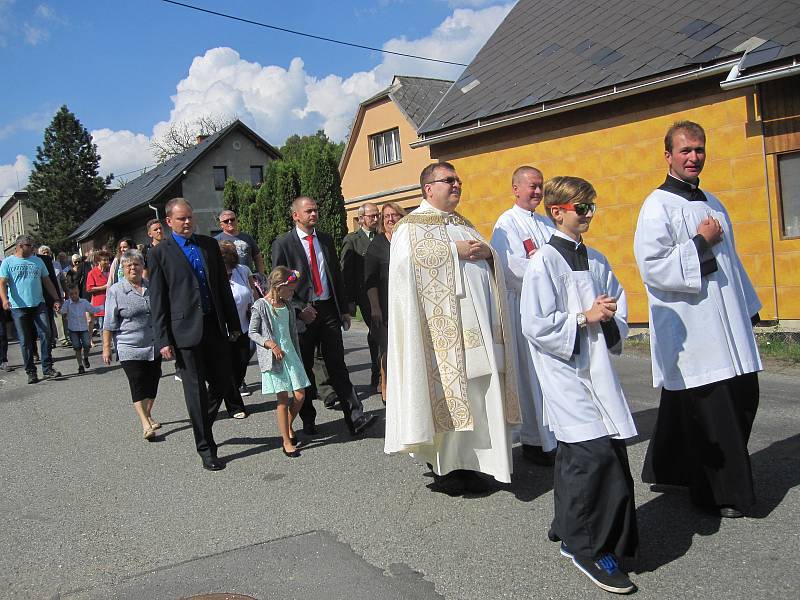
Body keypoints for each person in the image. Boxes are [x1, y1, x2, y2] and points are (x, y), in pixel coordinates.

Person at [634, 121, 762, 519]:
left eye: (699, 150)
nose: (693, 157)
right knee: (714, 412)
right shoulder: (657, 206)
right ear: (668, 156)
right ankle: (718, 493)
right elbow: (652, 267)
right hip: (693, 327)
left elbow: (731, 262)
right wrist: (699, 243)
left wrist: (749, 305)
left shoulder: (713, 202)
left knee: (740, 396)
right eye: (685, 150)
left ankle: (670, 468)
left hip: (727, 321)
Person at [521, 176, 638, 594]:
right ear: (558, 211)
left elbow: (618, 306)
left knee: (582, 454)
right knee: (593, 454)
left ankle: (567, 524)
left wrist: (608, 317)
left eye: (592, 207)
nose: (589, 214)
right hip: (564, 371)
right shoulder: (544, 263)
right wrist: (582, 318)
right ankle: (587, 548)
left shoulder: (598, 259)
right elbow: (535, 325)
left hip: (598, 371)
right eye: (582, 208)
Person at [384, 162, 521, 495]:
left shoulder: (465, 224)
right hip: (438, 340)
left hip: (478, 336)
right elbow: (403, 268)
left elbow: (491, 262)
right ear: (429, 188)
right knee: (446, 399)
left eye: (459, 180)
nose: (457, 185)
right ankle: (445, 468)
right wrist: (450, 252)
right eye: (449, 181)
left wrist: (489, 254)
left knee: (476, 399)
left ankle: (474, 463)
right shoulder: (410, 227)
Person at [149, 198, 243, 471]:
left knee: (225, 382)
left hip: (214, 325)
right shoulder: (159, 254)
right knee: (195, 390)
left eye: (190, 217)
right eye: (181, 219)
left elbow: (222, 288)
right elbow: (157, 299)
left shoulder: (209, 245)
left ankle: (201, 422)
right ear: (169, 222)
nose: (187, 222)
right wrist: (163, 339)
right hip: (184, 331)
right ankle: (206, 447)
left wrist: (233, 323)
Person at [271, 196, 377, 437]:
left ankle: (355, 417)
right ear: (295, 215)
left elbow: (335, 277)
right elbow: (278, 283)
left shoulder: (326, 240)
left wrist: (344, 311)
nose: (314, 214)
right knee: (305, 368)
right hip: (302, 315)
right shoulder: (284, 244)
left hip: (328, 310)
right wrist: (298, 308)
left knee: (338, 365)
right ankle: (308, 419)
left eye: (316, 210)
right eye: (308, 211)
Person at [490, 165, 557, 465]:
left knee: (550, 376)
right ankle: (533, 441)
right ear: (516, 188)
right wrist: (548, 275)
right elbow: (510, 268)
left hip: (550, 309)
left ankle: (554, 436)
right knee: (530, 376)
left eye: (540, 186)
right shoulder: (507, 223)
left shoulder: (546, 223)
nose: (538, 191)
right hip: (523, 308)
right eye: (532, 186)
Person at [102, 250, 163, 441]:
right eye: (128, 265)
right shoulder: (116, 291)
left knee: (152, 383)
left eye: (136, 264)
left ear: (142, 266)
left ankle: (148, 413)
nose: (132, 268)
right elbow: (109, 322)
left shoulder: (151, 286)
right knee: (137, 383)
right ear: (122, 269)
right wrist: (106, 347)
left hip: (153, 345)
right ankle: (145, 424)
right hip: (128, 345)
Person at [249, 267, 309, 457]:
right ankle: (286, 441)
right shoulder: (260, 305)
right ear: (279, 286)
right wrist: (270, 344)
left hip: (291, 354)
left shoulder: (287, 305)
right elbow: (252, 332)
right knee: (282, 399)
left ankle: (288, 425)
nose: (292, 293)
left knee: (300, 395)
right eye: (290, 289)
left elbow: (290, 331)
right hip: (274, 358)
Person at [0, 235, 62, 383]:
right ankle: (31, 372)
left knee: (47, 334)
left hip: (38, 304)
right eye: (30, 245)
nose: (32, 248)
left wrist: (56, 298)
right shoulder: (8, 262)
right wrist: (4, 300)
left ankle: (47, 368)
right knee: (25, 341)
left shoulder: (37, 261)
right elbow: (2, 283)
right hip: (18, 307)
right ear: (20, 246)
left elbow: (47, 281)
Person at [363, 201, 406, 402]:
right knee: (388, 348)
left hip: (407, 302)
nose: (390, 219)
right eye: (386, 216)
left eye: (394, 215)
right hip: (385, 304)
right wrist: (375, 307)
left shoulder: (407, 240)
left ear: (401, 217)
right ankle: (385, 383)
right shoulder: (377, 245)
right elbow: (369, 280)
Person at [341, 202, 381, 389]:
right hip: (364, 295)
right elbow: (346, 271)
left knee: (384, 332)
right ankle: (378, 372)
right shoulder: (353, 240)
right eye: (371, 215)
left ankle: (383, 371)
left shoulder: (382, 237)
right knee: (376, 331)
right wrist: (349, 300)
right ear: (361, 219)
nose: (375, 218)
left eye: (377, 215)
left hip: (385, 292)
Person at [219, 239, 255, 407]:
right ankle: (234, 404)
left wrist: (254, 306)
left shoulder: (242, 271)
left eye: (230, 254)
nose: (227, 257)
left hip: (245, 325)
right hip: (224, 330)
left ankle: (232, 388)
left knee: (241, 362)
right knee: (228, 367)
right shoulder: (214, 274)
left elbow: (252, 292)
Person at [59, 285, 102, 373]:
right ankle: (80, 365)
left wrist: (103, 307)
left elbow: (92, 310)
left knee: (87, 345)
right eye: (71, 294)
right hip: (73, 329)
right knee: (77, 347)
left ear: (78, 292)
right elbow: (62, 311)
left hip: (83, 328)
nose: (74, 295)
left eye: (75, 293)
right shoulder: (67, 303)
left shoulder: (84, 302)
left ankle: (85, 358)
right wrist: (58, 309)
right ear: (69, 295)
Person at [215, 209, 266, 276]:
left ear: (236, 220)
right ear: (221, 225)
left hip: (248, 278)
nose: (230, 222)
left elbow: (257, 257)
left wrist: (261, 274)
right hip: (228, 279)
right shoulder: (216, 240)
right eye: (226, 221)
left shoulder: (247, 237)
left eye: (232, 219)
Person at [86, 250, 111, 334]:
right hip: (100, 302)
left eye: (107, 259)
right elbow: (89, 288)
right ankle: (105, 346)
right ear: (98, 261)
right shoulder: (92, 273)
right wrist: (103, 287)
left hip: (111, 301)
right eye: (104, 260)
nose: (106, 262)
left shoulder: (111, 270)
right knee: (103, 326)